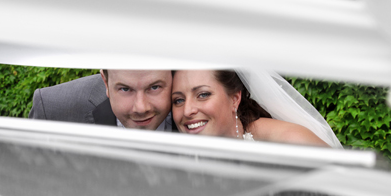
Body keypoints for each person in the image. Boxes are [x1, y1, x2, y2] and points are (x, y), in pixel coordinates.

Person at [171, 70, 343, 148]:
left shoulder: (290, 141)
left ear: (234, 99)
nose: (187, 111)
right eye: (178, 100)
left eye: (202, 95)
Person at [29, 69, 176, 131]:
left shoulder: (195, 110)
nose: (141, 108)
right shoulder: (52, 110)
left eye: (155, 87)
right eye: (125, 89)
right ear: (105, 81)